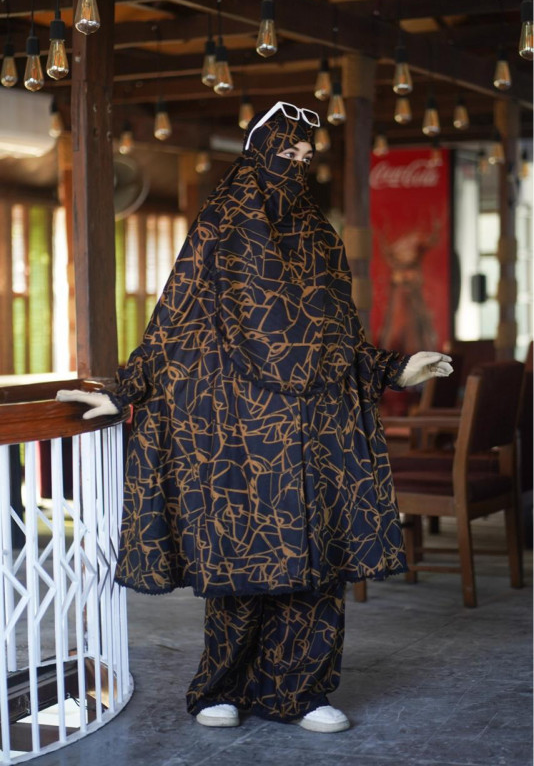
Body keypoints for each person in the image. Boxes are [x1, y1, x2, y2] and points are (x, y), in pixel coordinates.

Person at [57, 101, 453, 734]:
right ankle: (223, 686)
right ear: (260, 152)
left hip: (315, 424)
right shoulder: (220, 227)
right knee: (241, 561)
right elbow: (175, 319)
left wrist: (394, 368)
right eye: (287, 151)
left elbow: (340, 334)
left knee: (316, 561)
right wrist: (127, 388)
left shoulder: (320, 236)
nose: (297, 164)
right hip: (236, 425)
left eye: (305, 155)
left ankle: (304, 690)